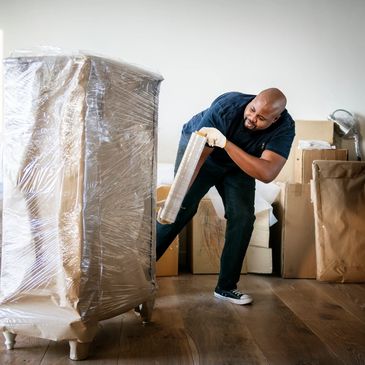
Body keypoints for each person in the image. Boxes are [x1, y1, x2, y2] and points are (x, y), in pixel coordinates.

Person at [157, 88, 295, 305]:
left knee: (243, 217)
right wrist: (178, 193)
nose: (251, 118)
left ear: (275, 119)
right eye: (251, 110)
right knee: (180, 208)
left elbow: (267, 173)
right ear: (251, 102)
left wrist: (227, 144)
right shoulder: (226, 108)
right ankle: (138, 276)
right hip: (201, 151)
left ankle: (226, 287)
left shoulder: (285, 128)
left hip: (237, 160)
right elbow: (199, 157)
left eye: (261, 118)